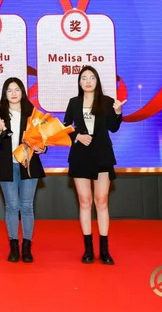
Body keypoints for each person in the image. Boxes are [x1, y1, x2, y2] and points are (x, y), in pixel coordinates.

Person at [63, 66, 126, 265]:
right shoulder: (74, 102)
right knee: (84, 201)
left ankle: (104, 251)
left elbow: (113, 128)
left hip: (102, 155)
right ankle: (88, 250)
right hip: (80, 155)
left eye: (92, 78)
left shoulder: (107, 102)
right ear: (79, 82)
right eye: (84, 78)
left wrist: (118, 112)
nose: (88, 81)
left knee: (102, 201)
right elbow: (65, 127)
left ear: (97, 81)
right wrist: (77, 136)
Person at [0, 77, 45, 263]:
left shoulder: (33, 114)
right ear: (5, 94)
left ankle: (27, 246)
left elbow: (43, 139)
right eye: (9, 90)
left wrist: (42, 148)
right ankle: (13, 246)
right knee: (12, 206)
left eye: (17, 89)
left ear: (22, 92)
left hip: (28, 165)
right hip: (7, 165)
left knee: (27, 206)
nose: (13, 94)